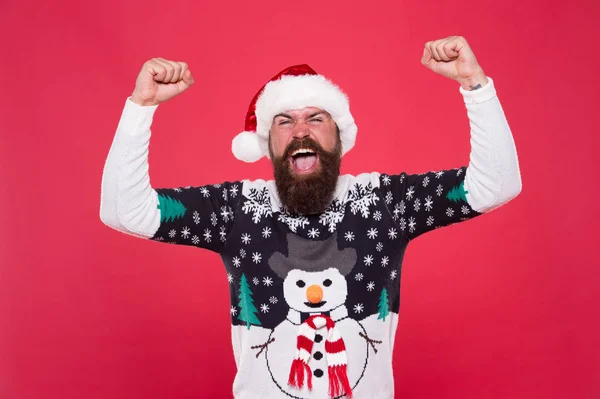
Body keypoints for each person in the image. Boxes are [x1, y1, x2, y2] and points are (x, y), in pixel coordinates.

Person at [100, 36, 522, 399]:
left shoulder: (383, 202)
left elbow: (495, 184)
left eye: (316, 118)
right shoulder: (236, 210)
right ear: (268, 143)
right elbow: (123, 209)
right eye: (285, 121)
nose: (300, 130)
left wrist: (475, 85)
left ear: (339, 136)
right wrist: (142, 106)